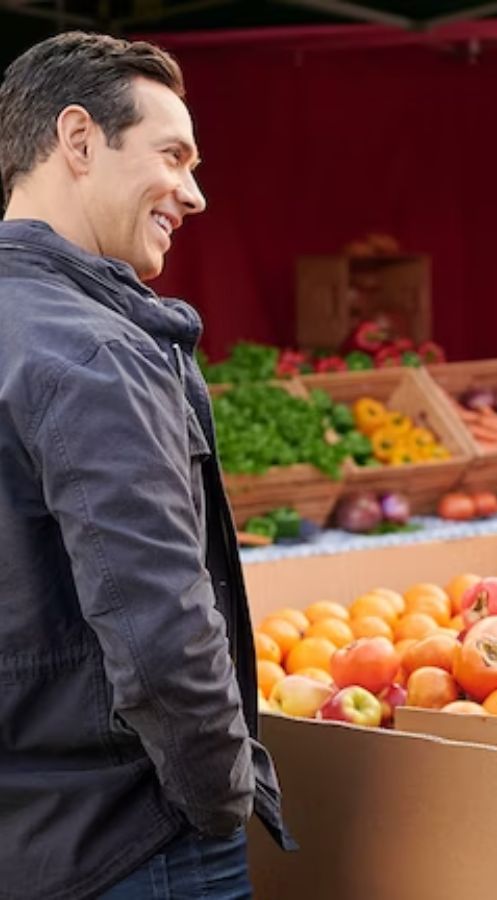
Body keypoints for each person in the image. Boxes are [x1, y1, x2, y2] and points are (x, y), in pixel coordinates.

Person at [0, 31, 292, 898]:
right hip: (131, 843)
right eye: (173, 155)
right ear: (79, 140)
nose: (194, 194)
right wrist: (219, 800)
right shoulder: (95, 353)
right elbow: (163, 631)